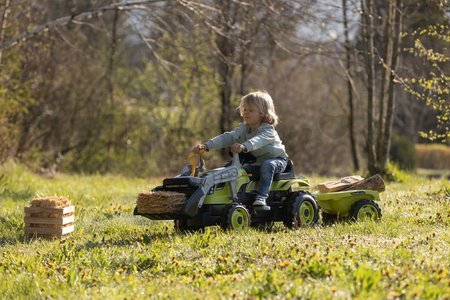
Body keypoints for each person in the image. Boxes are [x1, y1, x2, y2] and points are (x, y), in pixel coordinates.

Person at [193, 90, 288, 207]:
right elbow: (228, 137)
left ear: (263, 113)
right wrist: (207, 145)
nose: (246, 113)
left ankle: (262, 197)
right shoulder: (244, 128)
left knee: (268, 165)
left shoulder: (268, 130)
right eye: (245, 109)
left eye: (251, 110)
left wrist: (244, 146)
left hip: (277, 160)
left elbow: (258, 140)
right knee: (234, 170)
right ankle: (231, 197)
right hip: (256, 164)